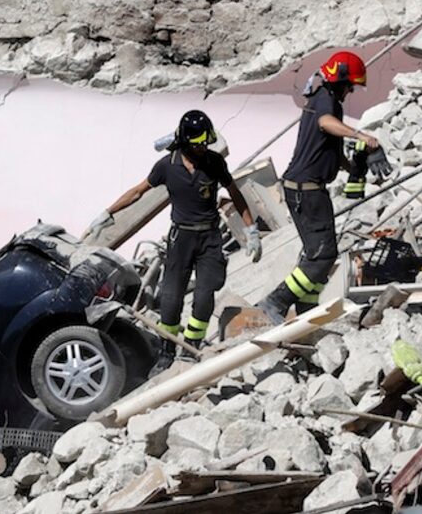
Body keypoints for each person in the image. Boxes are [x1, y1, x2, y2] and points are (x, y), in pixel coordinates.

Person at [86, 110, 259, 363]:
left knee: (203, 297)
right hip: (181, 240)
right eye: (197, 145)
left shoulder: (214, 163)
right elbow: (137, 191)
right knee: (170, 298)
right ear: (186, 143)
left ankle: (190, 347)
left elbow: (235, 193)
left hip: (209, 239)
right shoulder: (167, 166)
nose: (202, 149)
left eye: (205, 144)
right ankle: (167, 351)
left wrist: (251, 229)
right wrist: (108, 212)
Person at [257, 51, 392, 323]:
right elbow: (326, 124)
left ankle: (308, 310)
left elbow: (329, 145)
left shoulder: (324, 101)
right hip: (306, 190)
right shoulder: (324, 102)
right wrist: (361, 134)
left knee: (317, 255)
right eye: (349, 85)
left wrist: (352, 167)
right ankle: (276, 301)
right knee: (323, 255)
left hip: (306, 188)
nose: (351, 90)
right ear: (340, 80)